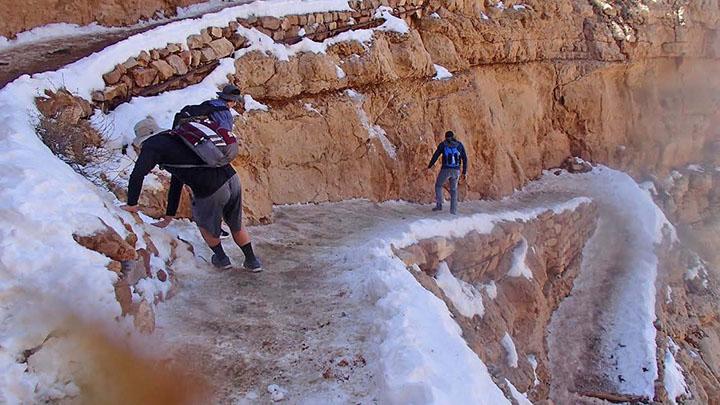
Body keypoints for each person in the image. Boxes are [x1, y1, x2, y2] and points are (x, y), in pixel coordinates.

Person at [121, 116, 262, 272]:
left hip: (210, 187)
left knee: (205, 225)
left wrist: (132, 204)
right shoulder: (178, 138)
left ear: (144, 138)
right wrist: (169, 216)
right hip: (232, 177)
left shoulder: (153, 145)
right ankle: (252, 261)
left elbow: (137, 175)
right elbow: (177, 181)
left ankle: (222, 259)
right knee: (235, 223)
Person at [427, 130, 468, 215]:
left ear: (445, 137)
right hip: (456, 170)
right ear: (453, 136)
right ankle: (453, 211)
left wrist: (430, 166)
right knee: (454, 190)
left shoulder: (443, 144)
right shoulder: (459, 145)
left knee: (438, 185)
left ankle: (439, 204)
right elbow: (464, 158)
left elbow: (435, 155)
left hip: (445, 170)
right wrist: (464, 171)